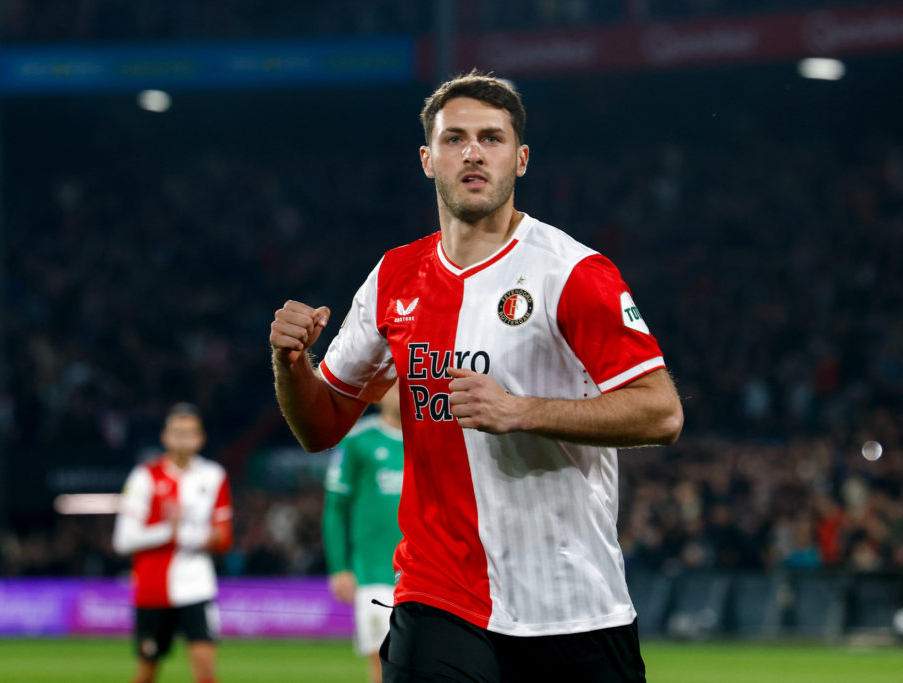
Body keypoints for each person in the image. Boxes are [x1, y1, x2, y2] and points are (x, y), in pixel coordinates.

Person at [269, 70, 683, 682]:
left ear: (519, 160)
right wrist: (290, 363)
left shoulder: (572, 273)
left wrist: (523, 411)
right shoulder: (393, 277)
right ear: (427, 159)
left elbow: (662, 412)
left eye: (490, 138)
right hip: (437, 593)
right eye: (454, 138)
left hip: (570, 601)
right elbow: (320, 425)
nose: (472, 152)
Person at [113, 403, 233, 683]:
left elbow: (224, 537)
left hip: (197, 586)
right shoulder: (144, 477)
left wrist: (183, 535)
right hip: (153, 587)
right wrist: (168, 531)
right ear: (164, 437)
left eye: (189, 433)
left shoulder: (214, 476)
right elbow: (122, 540)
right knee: (146, 673)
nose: (183, 438)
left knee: (205, 672)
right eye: (177, 432)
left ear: (201, 438)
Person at [323, 382, 404, 683]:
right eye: (395, 387)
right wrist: (339, 567)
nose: (401, 392)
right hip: (374, 573)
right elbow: (335, 507)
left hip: (424, 573)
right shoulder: (359, 441)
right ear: (380, 394)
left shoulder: (429, 437)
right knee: (383, 667)